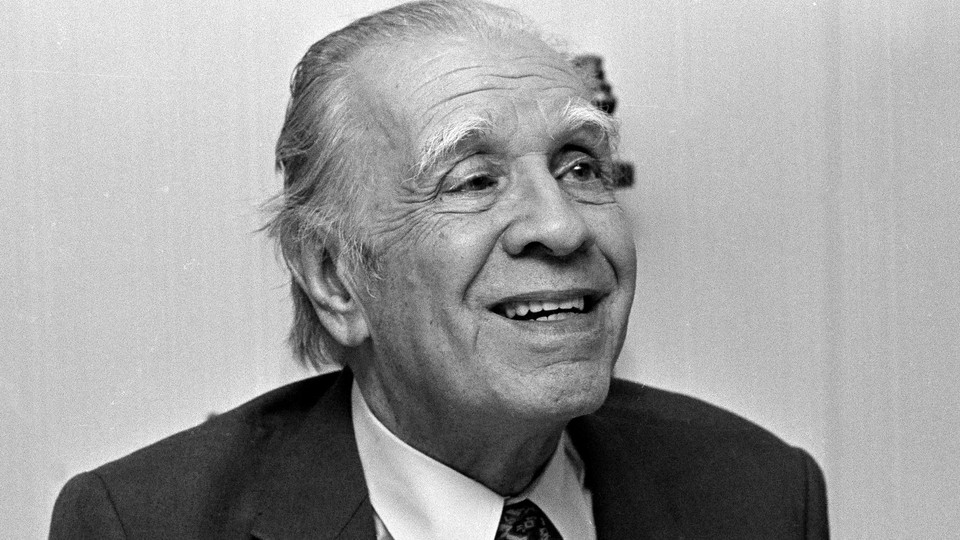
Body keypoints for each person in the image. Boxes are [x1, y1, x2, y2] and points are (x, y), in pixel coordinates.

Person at [49, 1, 829, 538]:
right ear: (335, 278)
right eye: (475, 181)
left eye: (580, 166)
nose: (561, 225)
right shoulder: (147, 525)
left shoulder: (759, 494)